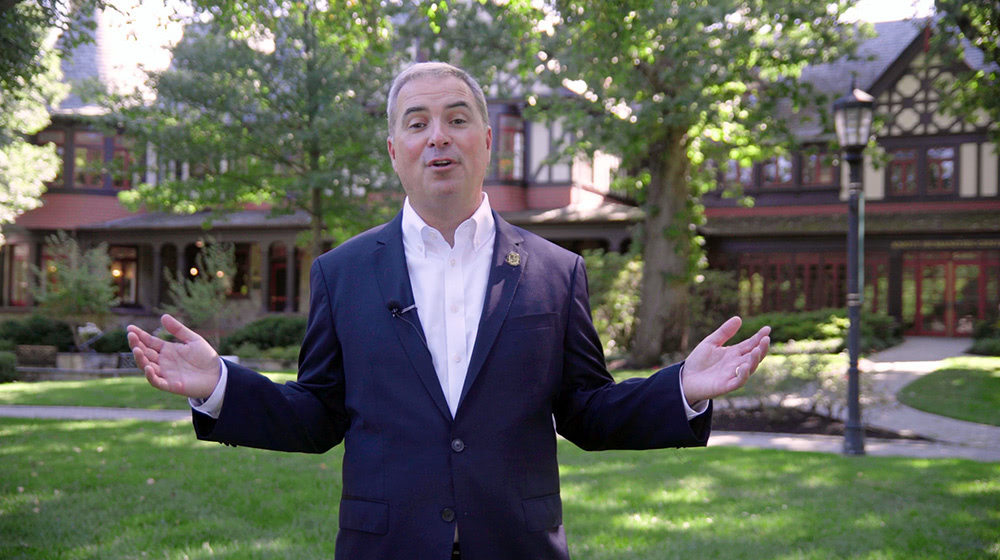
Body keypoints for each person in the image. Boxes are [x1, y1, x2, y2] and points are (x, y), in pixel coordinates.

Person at [127, 62, 771, 560]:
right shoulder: (342, 273)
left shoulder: (554, 271)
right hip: (386, 546)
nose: (438, 136)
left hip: (518, 545)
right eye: (417, 122)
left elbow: (587, 412)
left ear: (487, 142)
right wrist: (219, 386)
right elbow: (318, 415)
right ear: (394, 149)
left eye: (457, 119)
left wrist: (682, 389)